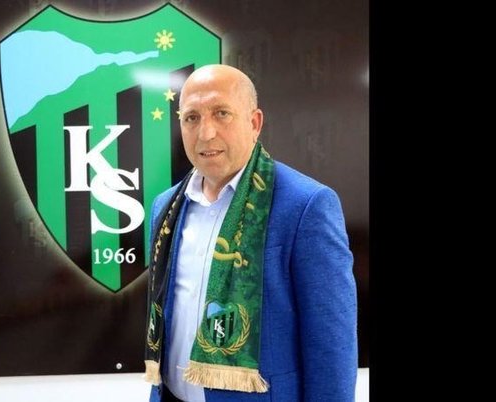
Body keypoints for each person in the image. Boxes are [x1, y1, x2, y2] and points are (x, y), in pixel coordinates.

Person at [143, 64, 357, 402]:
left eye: (221, 113)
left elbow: (331, 347)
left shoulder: (306, 206)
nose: (205, 133)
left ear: (254, 123)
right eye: (192, 117)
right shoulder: (165, 207)